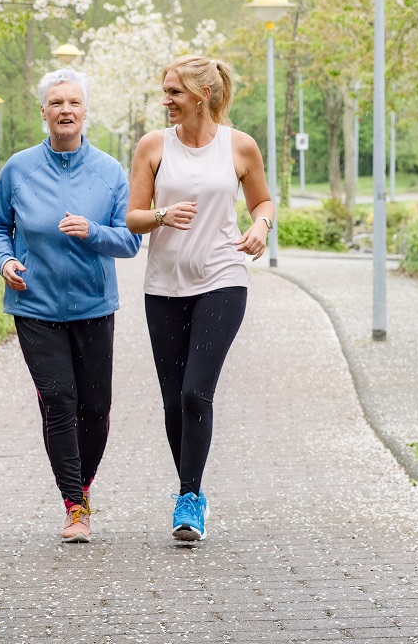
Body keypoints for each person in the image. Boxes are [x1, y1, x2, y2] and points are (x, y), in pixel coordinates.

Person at [0, 68, 141, 543]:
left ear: (85, 111)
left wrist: (92, 232)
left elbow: (130, 240)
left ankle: (83, 487)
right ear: (44, 112)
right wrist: (5, 261)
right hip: (35, 306)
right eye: (56, 103)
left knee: (95, 407)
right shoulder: (19, 168)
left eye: (73, 103)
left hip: (94, 305)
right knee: (59, 401)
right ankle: (74, 504)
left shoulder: (110, 172)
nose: (65, 110)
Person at [126, 54, 275, 542]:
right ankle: (191, 489)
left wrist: (261, 225)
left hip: (222, 277)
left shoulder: (239, 146)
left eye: (174, 92)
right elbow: (133, 217)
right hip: (164, 284)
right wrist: (162, 215)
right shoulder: (153, 146)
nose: (166, 100)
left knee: (195, 392)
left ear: (202, 95)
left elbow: (262, 201)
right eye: (165, 91)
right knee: (174, 401)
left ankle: (188, 497)